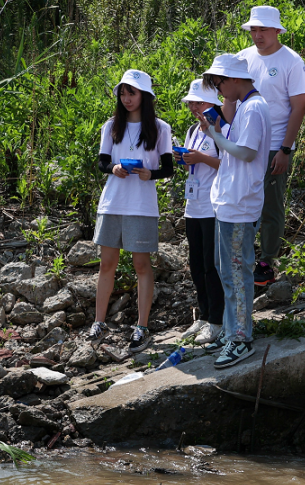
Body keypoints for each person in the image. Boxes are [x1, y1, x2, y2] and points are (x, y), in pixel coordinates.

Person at [87, 69, 174, 354]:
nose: (126, 98)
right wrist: (112, 168)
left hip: (142, 206)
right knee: (106, 264)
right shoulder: (111, 125)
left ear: (144, 96)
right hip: (112, 202)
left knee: (141, 266)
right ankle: (99, 322)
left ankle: (142, 326)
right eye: (122, 93)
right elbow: (101, 162)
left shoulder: (160, 128)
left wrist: (152, 174)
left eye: (131, 93)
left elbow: (169, 168)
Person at [200, 55, 271, 368]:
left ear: (233, 79)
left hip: (240, 204)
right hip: (229, 202)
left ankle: (241, 339)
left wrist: (216, 135)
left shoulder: (254, 107)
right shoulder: (244, 107)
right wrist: (219, 129)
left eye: (219, 83)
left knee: (236, 272)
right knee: (227, 270)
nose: (218, 89)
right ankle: (233, 332)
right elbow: (237, 145)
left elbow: (247, 152)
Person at [233, 6, 305, 286]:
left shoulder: (291, 61)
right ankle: (241, 256)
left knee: (270, 206)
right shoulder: (243, 58)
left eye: (263, 29)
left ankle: (267, 260)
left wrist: (285, 149)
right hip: (244, 145)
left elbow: (298, 107)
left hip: (274, 145)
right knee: (241, 203)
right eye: (254, 29)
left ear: (277, 31)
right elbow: (231, 99)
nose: (257, 35)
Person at [176, 79, 225, 346]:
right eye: (191, 103)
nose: (194, 107)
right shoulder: (194, 129)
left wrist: (200, 158)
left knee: (211, 265)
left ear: (213, 102)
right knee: (196, 264)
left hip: (213, 206)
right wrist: (184, 158)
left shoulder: (219, 128)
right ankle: (204, 315)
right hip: (192, 207)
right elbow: (189, 169)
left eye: (199, 102)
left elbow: (228, 164)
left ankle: (217, 321)